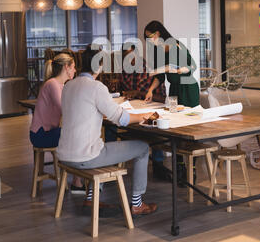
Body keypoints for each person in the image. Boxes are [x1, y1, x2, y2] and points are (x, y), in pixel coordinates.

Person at [57, 46, 158, 217]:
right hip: (86, 157)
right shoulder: (96, 87)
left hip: (65, 155)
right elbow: (122, 119)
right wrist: (144, 115)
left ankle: (90, 198)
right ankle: (137, 204)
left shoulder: (68, 86)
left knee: (106, 146)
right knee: (142, 148)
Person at [144, 20, 200, 186]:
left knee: (189, 128)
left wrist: (172, 68)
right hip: (174, 89)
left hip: (188, 88)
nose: (149, 40)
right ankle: (180, 167)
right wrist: (151, 90)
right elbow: (160, 76)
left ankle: (192, 169)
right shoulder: (159, 51)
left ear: (159, 33)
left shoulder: (176, 46)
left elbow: (191, 67)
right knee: (175, 128)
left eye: (150, 37)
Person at [104, 43, 168, 182]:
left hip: (148, 110)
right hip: (131, 110)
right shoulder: (124, 70)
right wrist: (115, 87)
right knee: (110, 124)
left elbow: (163, 99)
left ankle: (158, 164)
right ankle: (109, 164)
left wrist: (139, 93)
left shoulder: (150, 69)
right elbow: (121, 92)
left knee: (153, 127)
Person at [29, 52, 84, 193]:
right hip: (41, 135)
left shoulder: (60, 85)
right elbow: (65, 108)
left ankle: (76, 180)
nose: (75, 70)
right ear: (66, 67)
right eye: (73, 67)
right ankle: (77, 182)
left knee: (75, 135)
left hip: (47, 132)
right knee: (75, 136)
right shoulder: (52, 85)